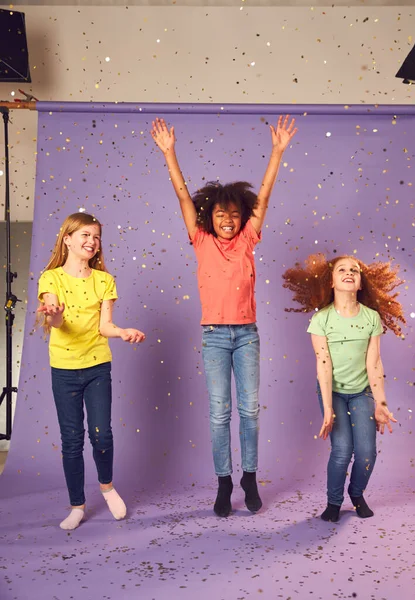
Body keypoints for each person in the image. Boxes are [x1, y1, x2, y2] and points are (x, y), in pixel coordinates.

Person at [151, 115, 298, 517]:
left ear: (242, 217)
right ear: (208, 218)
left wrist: (278, 152)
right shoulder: (200, 240)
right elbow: (183, 198)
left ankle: (249, 477)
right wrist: (170, 153)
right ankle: (224, 483)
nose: (228, 220)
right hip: (214, 335)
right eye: (220, 215)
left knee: (249, 410)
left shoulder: (249, 238)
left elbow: (264, 198)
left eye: (234, 214)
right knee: (220, 412)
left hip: (246, 335)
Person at [37, 212, 146, 530]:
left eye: (96, 237)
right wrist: (54, 313)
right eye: (84, 235)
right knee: (72, 440)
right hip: (65, 370)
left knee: (102, 434)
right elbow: (55, 321)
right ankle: (77, 506)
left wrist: (123, 331)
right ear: (67, 239)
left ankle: (107, 487)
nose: (91, 241)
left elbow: (105, 326)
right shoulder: (51, 278)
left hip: (98, 366)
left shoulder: (104, 280)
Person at [283, 253, 405, 522]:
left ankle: (357, 493)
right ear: (331, 282)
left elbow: (374, 363)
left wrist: (381, 403)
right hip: (334, 393)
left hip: (362, 392)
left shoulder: (371, 318)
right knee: (341, 451)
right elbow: (323, 365)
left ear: (361, 284)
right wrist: (327, 408)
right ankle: (334, 502)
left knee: (367, 452)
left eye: (354, 270)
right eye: (342, 270)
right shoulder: (321, 320)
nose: (349, 272)